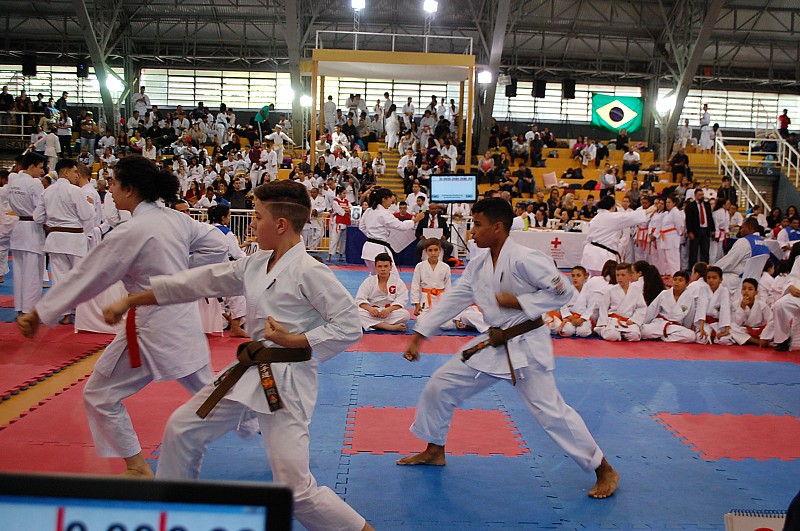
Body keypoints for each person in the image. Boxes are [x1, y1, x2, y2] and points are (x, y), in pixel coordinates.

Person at [101, 180, 374, 531]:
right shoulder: (255, 264)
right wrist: (132, 299)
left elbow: (349, 325)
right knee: (183, 429)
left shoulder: (310, 271)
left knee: (294, 490)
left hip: (287, 382)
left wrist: (295, 339)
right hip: (250, 371)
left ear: (280, 224)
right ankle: (173, 516)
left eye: (257, 216)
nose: (252, 224)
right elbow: (196, 282)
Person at [17, 155, 230, 477]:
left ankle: (137, 466)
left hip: (152, 326)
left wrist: (40, 313)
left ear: (130, 189)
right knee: (208, 391)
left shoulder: (131, 230)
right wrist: (181, 277)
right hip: (182, 318)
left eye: (114, 184)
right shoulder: (176, 219)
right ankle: (264, 421)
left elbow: (88, 276)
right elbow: (217, 245)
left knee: (101, 395)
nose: (111, 190)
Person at [396, 197, 619, 499]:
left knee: (551, 413)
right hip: (494, 342)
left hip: (526, 346)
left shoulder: (526, 258)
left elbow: (563, 291)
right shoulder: (479, 264)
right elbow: (455, 298)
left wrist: (521, 302)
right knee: (440, 385)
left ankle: (603, 468)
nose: (473, 231)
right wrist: (421, 332)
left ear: (498, 227)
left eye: (478, 225)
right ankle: (434, 449)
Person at [33, 159, 96, 324]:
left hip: (55, 239)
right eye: (75, 171)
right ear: (66, 172)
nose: (77, 175)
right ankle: (82, 314)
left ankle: (65, 314)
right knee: (80, 277)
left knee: (60, 279)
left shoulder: (47, 191)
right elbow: (86, 215)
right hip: (74, 239)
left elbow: (37, 217)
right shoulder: (75, 191)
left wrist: (51, 221)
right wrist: (90, 205)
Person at [7, 152, 46, 314]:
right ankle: (29, 310)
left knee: (19, 273)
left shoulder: (13, 182)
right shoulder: (35, 183)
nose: (42, 172)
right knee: (33, 274)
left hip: (19, 228)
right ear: (31, 167)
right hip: (33, 229)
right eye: (40, 167)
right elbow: (40, 210)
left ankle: (19, 307)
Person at [581, 195, 654, 276]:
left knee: (593, 278)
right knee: (604, 279)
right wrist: (649, 210)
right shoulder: (611, 217)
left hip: (590, 253)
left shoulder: (597, 217)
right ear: (613, 207)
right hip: (601, 256)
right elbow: (630, 216)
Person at [359, 187, 423, 274]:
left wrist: (372, 236)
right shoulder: (384, 213)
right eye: (389, 198)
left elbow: (361, 227)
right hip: (379, 250)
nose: (391, 200)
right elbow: (401, 226)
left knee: (375, 275)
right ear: (383, 199)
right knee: (392, 277)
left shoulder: (368, 211)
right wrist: (415, 220)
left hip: (368, 248)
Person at [207, 204, 248, 338]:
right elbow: (236, 254)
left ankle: (227, 319)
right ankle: (235, 326)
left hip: (206, 270)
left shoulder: (205, 229)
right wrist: (248, 258)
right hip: (225, 270)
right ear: (223, 217)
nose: (229, 218)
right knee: (239, 293)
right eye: (229, 215)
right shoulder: (226, 232)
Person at [356, 252, 409, 332]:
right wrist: (370, 309)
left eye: (386, 266)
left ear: (391, 267)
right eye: (379, 266)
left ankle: (373, 324)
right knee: (357, 312)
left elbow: (402, 300)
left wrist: (388, 310)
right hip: (373, 312)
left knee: (405, 315)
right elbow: (360, 299)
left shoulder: (398, 282)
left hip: (390, 312)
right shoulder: (369, 281)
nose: (383, 269)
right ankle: (389, 327)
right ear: (375, 267)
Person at [595, 262, 646, 342]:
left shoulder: (636, 290)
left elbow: (641, 307)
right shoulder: (611, 290)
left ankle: (622, 334)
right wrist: (603, 323)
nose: (619, 278)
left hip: (628, 321)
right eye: (617, 275)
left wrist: (634, 319)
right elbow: (603, 307)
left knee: (635, 336)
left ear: (630, 276)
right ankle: (608, 331)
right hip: (614, 320)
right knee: (612, 336)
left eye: (623, 275)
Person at [641, 270, 697, 343]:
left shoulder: (689, 298)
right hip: (660, 324)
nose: (677, 282)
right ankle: (667, 336)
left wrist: (685, 329)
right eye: (675, 279)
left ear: (687, 284)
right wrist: (644, 323)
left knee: (691, 336)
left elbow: (689, 318)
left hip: (675, 327)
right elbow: (652, 310)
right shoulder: (664, 294)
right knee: (644, 330)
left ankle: (661, 337)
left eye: (680, 280)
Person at [717, 278, 773, 346]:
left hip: (758, 330)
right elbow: (737, 323)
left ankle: (748, 339)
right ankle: (754, 341)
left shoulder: (762, 306)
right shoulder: (735, 304)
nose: (746, 291)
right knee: (731, 327)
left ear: (756, 292)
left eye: (750, 289)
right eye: (744, 289)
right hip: (743, 330)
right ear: (741, 291)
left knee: (773, 329)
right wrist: (742, 308)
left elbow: (771, 321)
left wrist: (765, 336)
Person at [547, 265, 596, 337]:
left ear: (585, 277)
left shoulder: (590, 291)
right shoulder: (567, 291)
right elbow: (563, 306)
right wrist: (571, 318)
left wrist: (582, 319)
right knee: (568, 331)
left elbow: (590, 308)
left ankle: (585, 327)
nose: (575, 278)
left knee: (583, 332)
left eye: (578, 275)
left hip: (583, 318)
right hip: (570, 318)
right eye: (573, 276)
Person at [410, 238, 452, 319]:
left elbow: (448, 287)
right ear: (426, 251)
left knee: (447, 324)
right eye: (430, 250)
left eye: (436, 250)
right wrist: (416, 304)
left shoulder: (445, 267)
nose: (433, 253)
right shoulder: (420, 266)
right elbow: (415, 286)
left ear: (440, 250)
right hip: (425, 299)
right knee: (422, 322)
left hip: (441, 300)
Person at [772, 251, 799, 351]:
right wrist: (791, 286)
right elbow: (793, 277)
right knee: (780, 305)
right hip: (798, 294)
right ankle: (783, 339)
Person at [686, 189, 715, 267]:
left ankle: (705, 266)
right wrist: (690, 231)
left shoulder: (707, 205)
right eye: (700, 195)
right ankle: (692, 267)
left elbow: (710, 217)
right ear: (695, 195)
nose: (702, 196)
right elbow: (688, 220)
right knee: (693, 250)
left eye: (702, 194)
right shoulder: (690, 206)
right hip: (695, 231)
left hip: (705, 230)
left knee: (705, 250)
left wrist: (713, 229)